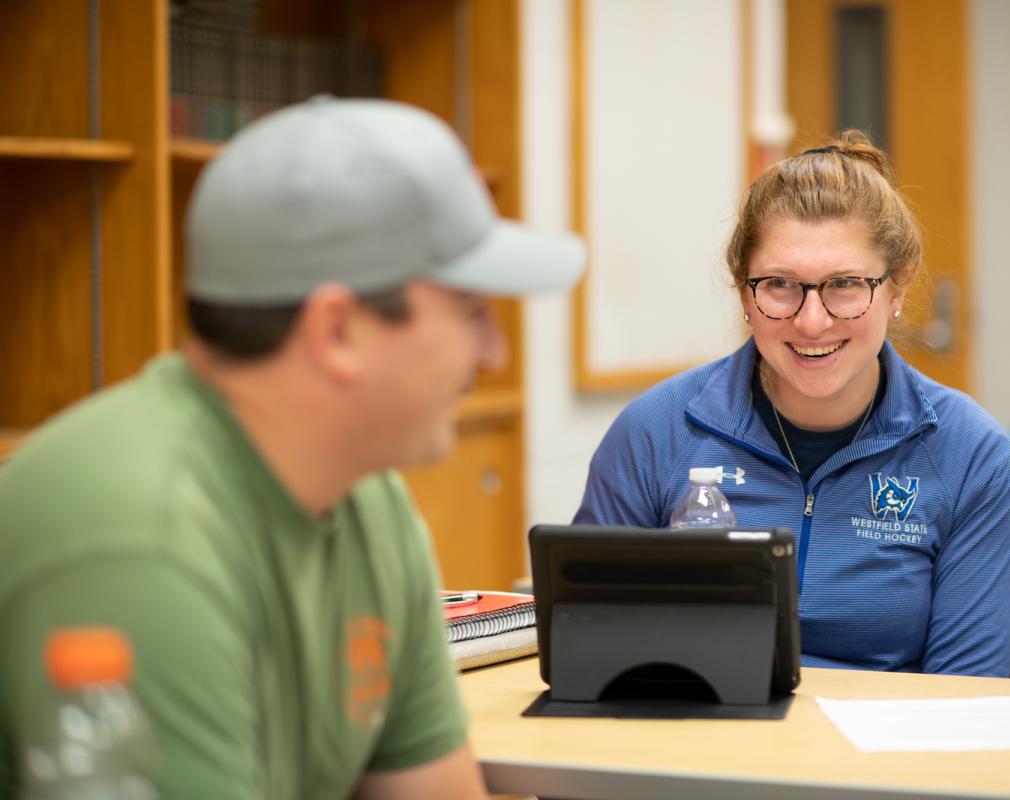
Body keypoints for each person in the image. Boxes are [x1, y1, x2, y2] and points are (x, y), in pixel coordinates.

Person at [0, 98, 584, 798]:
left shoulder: (366, 498)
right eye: (471, 310)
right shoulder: (138, 543)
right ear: (337, 330)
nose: (494, 352)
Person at [574, 130, 1010, 677]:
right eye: (780, 285)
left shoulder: (969, 453)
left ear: (897, 289)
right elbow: (589, 645)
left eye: (845, 284)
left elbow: (965, 696)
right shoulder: (654, 432)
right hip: (699, 724)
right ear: (744, 292)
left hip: (881, 733)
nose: (812, 321)